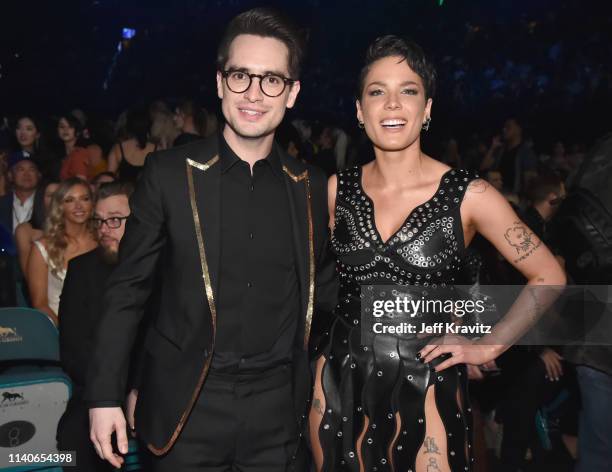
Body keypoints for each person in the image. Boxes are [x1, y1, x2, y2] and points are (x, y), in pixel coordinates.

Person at [86, 8, 337, 471]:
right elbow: (128, 292)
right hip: (187, 412)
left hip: (280, 420)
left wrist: (446, 319)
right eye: (241, 76)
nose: (254, 94)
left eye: (272, 80)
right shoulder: (167, 175)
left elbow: (332, 296)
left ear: (293, 92)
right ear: (220, 82)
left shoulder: (313, 186)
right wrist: (104, 395)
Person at [309, 36, 565, 472]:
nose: (392, 104)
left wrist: (487, 346)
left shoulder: (470, 195)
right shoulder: (337, 189)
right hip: (337, 382)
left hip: (428, 384)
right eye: (377, 92)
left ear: (426, 110)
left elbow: (550, 276)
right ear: (359, 110)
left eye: (408, 91)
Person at [57, 181, 134, 472]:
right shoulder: (81, 270)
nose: (104, 229)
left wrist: (138, 388)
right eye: (99, 221)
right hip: (98, 387)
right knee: (76, 440)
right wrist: (113, 391)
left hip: (157, 390)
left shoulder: (165, 267)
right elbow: (74, 352)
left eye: (115, 220)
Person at [27, 177, 97, 324]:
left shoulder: (102, 241)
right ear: (59, 206)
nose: (78, 206)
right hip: (60, 329)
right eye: (69, 200)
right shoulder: (42, 248)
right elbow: (40, 304)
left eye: (84, 198)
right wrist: (66, 332)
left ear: (92, 204)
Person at [479, 118, 538, 194]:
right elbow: (483, 168)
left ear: (518, 129)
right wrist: (492, 148)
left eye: (508, 127)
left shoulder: (526, 153)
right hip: (497, 193)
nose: (504, 130)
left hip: (513, 197)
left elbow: (529, 180)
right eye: (504, 127)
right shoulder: (501, 150)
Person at [107, 106, 157, 182]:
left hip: (126, 192)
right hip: (150, 192)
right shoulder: (157, 148)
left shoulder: (118, 148)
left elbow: (108, 178)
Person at [0, 151, 44, 235]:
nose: (26, 174)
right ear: (10, 175)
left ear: (39, 175)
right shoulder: (2, 204)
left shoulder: (47, 202)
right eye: (21, 169)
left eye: (32, 169)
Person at [58, 113, 90, 181]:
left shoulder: (79, 153)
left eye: (70, 127)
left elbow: (81, 181)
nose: (65, 130)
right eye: (62, 127)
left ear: (78, 131)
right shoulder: (63, 155)